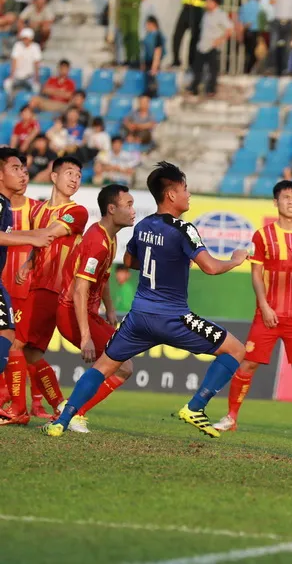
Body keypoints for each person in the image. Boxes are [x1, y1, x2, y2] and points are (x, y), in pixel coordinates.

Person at [43, 161, 250, 438]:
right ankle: (196, 406)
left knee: (103, 367)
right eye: (185, 189)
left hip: (138, 319)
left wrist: (166, 264)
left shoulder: (142, 226)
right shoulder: (183, 229)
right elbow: (211, 267)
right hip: (173, 317)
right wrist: (235, 260)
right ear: (172, 195)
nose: (189, 195)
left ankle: (62, 421)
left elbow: (130, 261)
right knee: (236, 350)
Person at [214, 180, 292, 437]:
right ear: (276, 202)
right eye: (286, 197)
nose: (291, 202)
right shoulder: (262, 235)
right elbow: (256, 274)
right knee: (248, 364)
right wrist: (264, 306)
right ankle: (231, 417)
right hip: (268, 315)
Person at [1, 156, 87, 425]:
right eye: (70, 173)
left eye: (79, 175)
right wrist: (28, 263)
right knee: (30, 352)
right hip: (36, 286)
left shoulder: (77, 211)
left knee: (15, 343)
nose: (75, 179)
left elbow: (49, 233)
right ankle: (61, 406)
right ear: (54, 176)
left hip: (52, 288)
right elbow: (40, 245)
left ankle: (18, 409)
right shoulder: (37, 211)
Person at [54, 184, 136, 433]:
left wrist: (109, 309)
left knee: (123, 365)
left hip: (87, 313)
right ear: (111, 209)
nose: (133, 211)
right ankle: (74, 413)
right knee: (123, 366)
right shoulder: (98, 243)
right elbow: (80, 290)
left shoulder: (109, 237)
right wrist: (86, 337)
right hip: (72, 312)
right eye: (128, 205)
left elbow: (103, 278)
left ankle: (71, 411)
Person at [0, 148, 56, 424]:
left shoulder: (19, 207)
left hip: (17, 288)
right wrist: (33, 239)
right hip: (7, 285)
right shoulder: (2, 204)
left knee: (14, 342)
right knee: (14, 342)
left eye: (24, 169)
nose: (23, 174)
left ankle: (25, 405)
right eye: (16, 168)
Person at [189, 0, 232, 98]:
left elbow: (230, 29)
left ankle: (211, 90)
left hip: (213, 46)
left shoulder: (221, 15)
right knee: (197, 68)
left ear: (215, 3)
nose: (206, 3)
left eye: (209, 1)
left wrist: (219, 40)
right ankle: (194, 88)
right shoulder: (206, 14)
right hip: (202, 45)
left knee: (212, 70)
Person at [171, 0, 208, 69]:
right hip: (186, 9)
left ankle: (192, 62)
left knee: (194, 37)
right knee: (177, 35)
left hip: (196, 11)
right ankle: (176, 60)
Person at [117, 0, 147, 67]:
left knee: (133, 33)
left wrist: (135, 0)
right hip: (123, 8)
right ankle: (128, 58)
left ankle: (136, 58)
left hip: (133, 8)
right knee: (125, 33)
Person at [3, 27, 41, 95]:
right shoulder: (18, 45)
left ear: (31, 38)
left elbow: (36, 63)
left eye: (26, 38)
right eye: (24, 38)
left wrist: (36, 78)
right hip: (17, 76)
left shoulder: (36, 47)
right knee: (7, 83)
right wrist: (12, 76)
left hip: (29, 77)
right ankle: (8, 100)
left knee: (36, 87)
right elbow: (14, 61)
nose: (25, 40)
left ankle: (34, 100)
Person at [237, 0, 263, 74]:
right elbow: (254, 21)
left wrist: (240, 33)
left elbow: (240, 21)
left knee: (247, 53)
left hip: (245, 31)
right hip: (253, 32)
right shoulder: (258, 7)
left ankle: (245, 70)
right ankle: (247, 71)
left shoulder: (245, 5)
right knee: (253, 54)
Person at [142, 15, 165, 96]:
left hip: (153, 63)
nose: (146, 27)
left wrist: (154, 67)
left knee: (152, 84)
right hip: (148, 62)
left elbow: (158, 51)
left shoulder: (157, 35)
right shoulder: (149, 35)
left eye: (148, 24)